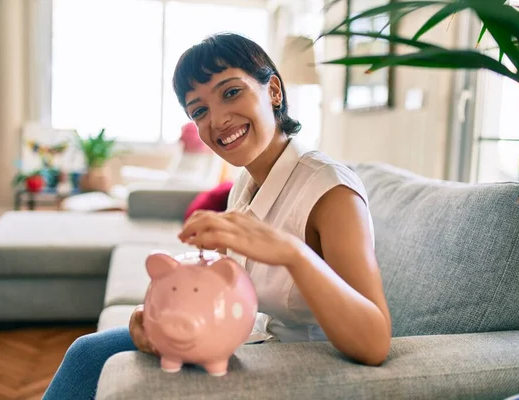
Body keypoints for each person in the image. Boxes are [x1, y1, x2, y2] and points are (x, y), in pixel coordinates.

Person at [43, 32, 391, 399]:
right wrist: (159, 314)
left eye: (230, 92)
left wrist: (292, 253)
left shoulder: (331, 191)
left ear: (274, 90)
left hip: (299, 365)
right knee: (87, 353)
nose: (219, 119)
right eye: (200, 110)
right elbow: (220, 280)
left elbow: (375, 342)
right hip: (240, 338)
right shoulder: (246, 181)